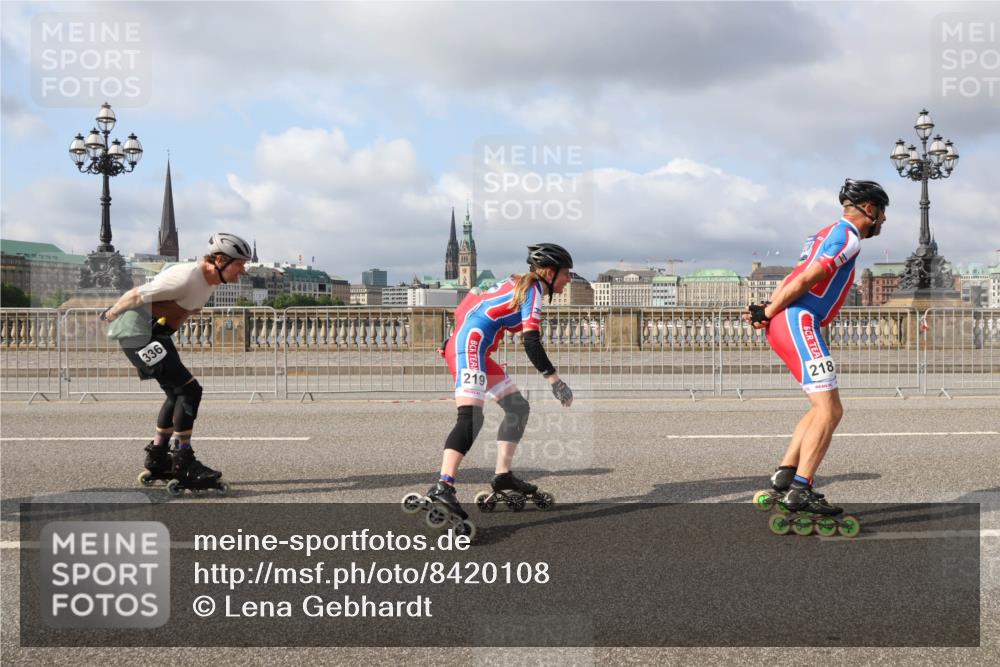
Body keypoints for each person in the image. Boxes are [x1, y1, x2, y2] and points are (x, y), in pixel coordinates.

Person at [744, 180, 888, 514]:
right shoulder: (849, 237)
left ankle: (786, 475)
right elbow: (807, 279)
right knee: (831, 410)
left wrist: (770, 311)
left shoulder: (824, 233)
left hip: (789, 321)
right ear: (869, 209)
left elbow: (793, 276)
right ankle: (801, 489)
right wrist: (769, 311)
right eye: (882, 213)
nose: (883, 221)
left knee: (819, 406)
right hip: (800, 320)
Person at [426, 243, 575, 524]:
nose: (569, 279)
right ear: (549, 272)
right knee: (471, 417)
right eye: (566, 273)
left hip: (473, 345)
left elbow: (471, 301)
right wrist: (555, 381)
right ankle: (443, 487)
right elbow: (531, 341)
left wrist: (451, 340)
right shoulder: (533, 291)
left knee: (517, 407)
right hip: (472, 345)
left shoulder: (516, 282)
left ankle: (503, 476)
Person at [103, 233, 252, 493]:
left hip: (155, 334)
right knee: (190, 390)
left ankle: (158, 457)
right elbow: (137, 294)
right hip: (137, 334)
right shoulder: (186, 276)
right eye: (239, 264)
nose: (243, 270)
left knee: (176, 393)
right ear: (220, 260)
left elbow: (182, 310)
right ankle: (183, 461)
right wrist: (111, 313)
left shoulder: (210, 283)